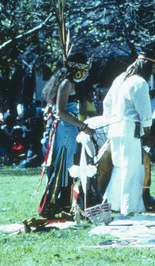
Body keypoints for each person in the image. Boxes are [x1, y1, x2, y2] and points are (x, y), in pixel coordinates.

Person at [37, 53, 94, 218]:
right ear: (77, 70)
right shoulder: (66, 84)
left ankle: (66, 204)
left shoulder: (71, 85)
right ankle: (56, 204)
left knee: (69, 166)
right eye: (86, 69)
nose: (87, 73)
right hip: (64, 130)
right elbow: (61, 112)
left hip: (70, 129)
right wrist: (82, 125)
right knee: (62, 166)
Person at [102, 51, 155, 215]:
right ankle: (130, 208)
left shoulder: (120, 78)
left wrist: (109, 123)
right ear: (147, 65)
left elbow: (107, 102)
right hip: (129, 130)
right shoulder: (140, 83)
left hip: (114, 128)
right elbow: (145, 112)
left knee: (119, 167)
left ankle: (113, 204)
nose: (154, 71)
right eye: (154, 67)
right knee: (132, 169)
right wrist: (147, 132)